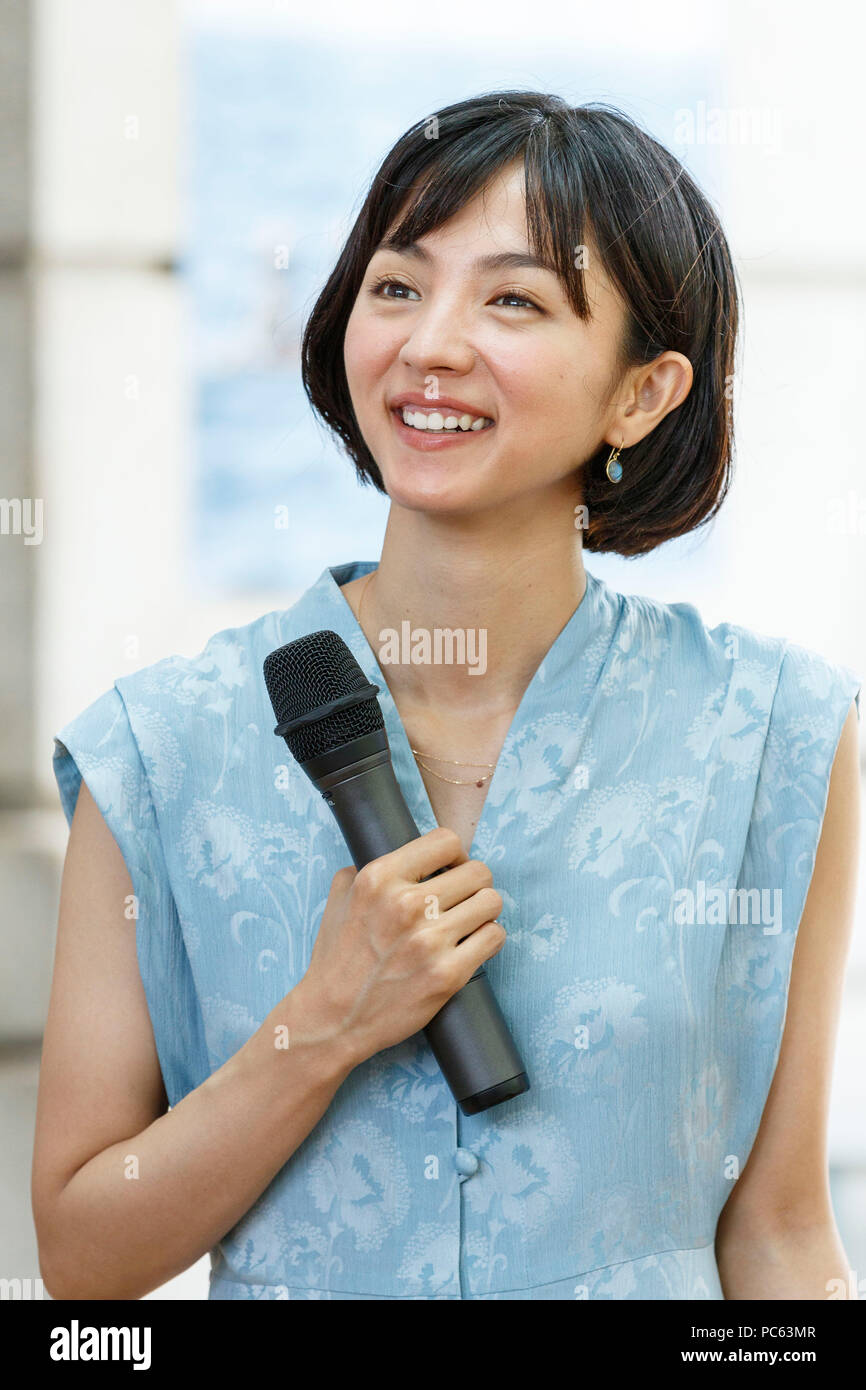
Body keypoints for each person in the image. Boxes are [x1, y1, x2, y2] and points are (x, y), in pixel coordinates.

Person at [32, 91, 861, 1301]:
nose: (429, 344)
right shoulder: (162, 746)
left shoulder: (774, 735)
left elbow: (778, 1235)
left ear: (642, 392)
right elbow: (82, 1260)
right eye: (397, 286)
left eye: (512, 299)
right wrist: (320, 1025)